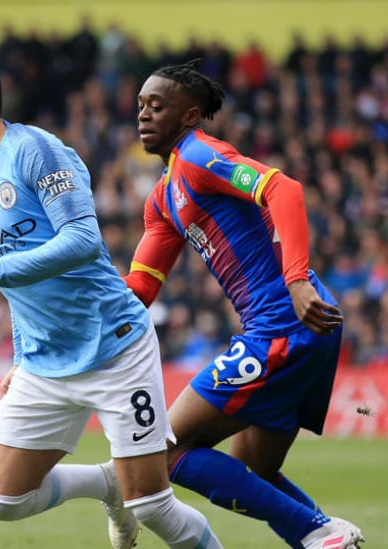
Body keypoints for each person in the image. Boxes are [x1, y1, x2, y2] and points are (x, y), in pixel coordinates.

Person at [0, 50, 222, 549]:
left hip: (114, 347)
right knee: (2, 500)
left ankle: (132, 494)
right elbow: (19, 287)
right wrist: (20, 354)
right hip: (44, 361)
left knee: (152, 505)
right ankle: (107, 483)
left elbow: (82, 238)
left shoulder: (36, 151)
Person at [124, 59, 366, 549]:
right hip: (299, 325)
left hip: (284, 320)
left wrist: (296, 278)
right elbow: (139, 292)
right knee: (257, 470)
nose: (144, 115)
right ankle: (325, 537)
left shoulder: (197, 155)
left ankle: (316, 530)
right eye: (140, 106)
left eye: (157, 105)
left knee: (166, 451)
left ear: (190, 116)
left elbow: (282, 187)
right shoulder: (162, 200)